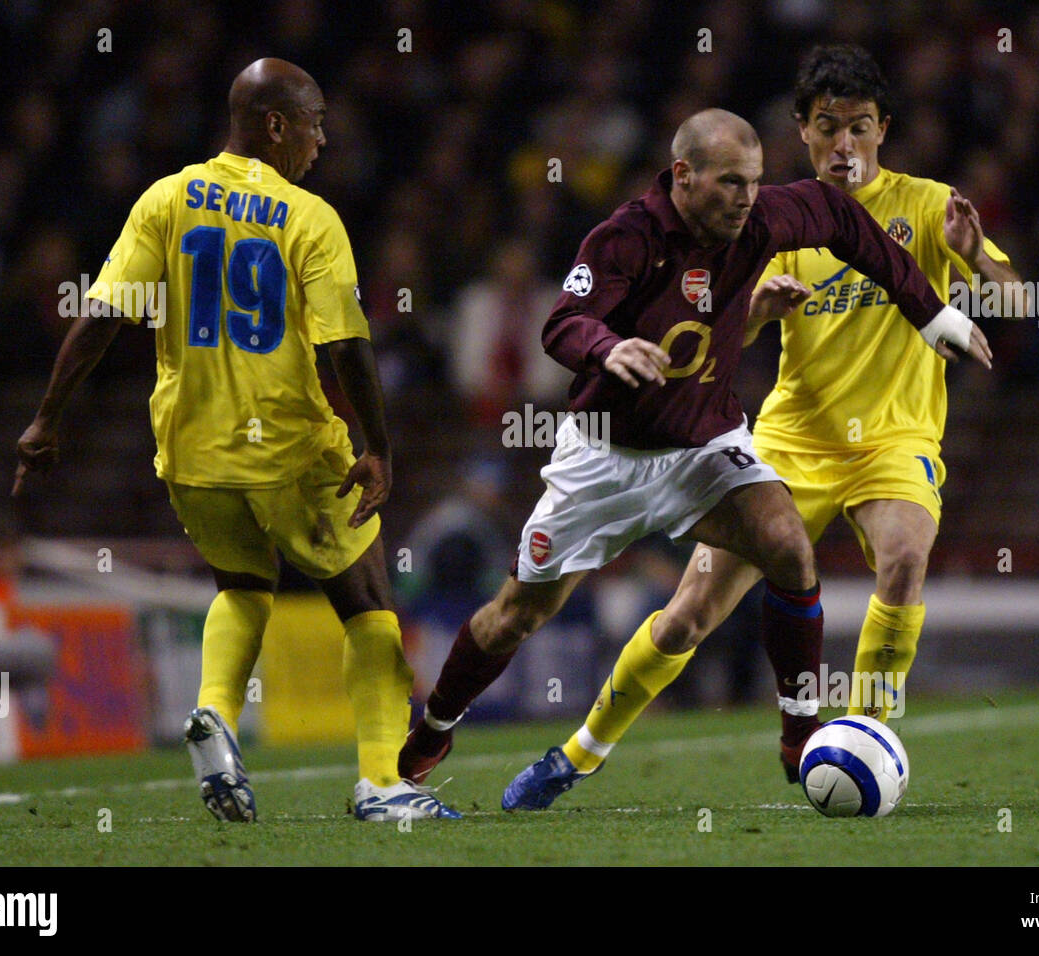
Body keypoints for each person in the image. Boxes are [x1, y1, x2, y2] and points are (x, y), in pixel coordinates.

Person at [398, 107, 991, 801]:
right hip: (605, 459)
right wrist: (609, 347)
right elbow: (562, 323)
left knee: (789, 548)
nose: (746, 198)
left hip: (704, 448)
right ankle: (437, 723)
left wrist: (931, 312)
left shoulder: (763, 221)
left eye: (755, 181)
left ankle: (800, 730)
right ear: (684, 176)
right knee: (517, 615)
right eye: (731, 183)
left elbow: (848, 224)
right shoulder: (625, 238)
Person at [12, 58, 458, 822]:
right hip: (286, 446)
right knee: (370, 602)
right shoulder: (308, 218)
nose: (322, 140)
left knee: (244, 587)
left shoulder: (166, 199)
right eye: (314, 122)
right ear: (275, 124)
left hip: (190, 451)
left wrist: (48, 417)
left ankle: (215, 714)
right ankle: (383, 784)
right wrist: (377, 445)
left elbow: (102, 316)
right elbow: (347, 344)